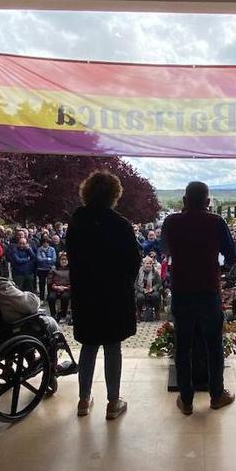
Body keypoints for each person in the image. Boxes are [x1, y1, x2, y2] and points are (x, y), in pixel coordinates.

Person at [66, 170, 140, 421]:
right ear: (114, 194)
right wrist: (124, 284)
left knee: (88, 346)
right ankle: (112, 402)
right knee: (112, 347)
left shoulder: (76, 221)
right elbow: (133, 262)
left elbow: (71, 258)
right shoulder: (120, 224)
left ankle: (83, 400)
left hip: (85, 294)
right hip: (113, 296)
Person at [160, 181, 236, 414]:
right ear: (208, 202)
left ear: (184, 201)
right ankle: (216, 395)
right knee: (213, 344)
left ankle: (186, 400)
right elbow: (232, 254)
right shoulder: (216, 222)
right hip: (208, 291)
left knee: (183, 346)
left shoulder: (171, 222)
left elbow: (164, 250)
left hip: (182, 291)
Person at [134, 256, 164, 321]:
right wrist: (142, 290)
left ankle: (157, 312)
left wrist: (152, 289)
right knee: (140, 297)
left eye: (150, 264)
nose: (149, 265)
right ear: (143, 264)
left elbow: (159, 283)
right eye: (147, 263)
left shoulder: (155, 272)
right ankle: (139, 313)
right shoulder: (138, 272)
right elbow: (135, 284)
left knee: (155, 296)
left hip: (152, 290)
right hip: (141, 290)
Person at [46, 252, 72, 322]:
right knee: (51, 297)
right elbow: (49, 280)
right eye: (62, 260)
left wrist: (66, 288)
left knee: (65, 297)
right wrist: (55, 287)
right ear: (59, 261)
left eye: (65, 260)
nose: (64, 261)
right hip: (55, 288)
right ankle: (53, 315)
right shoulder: (54, 269)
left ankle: (63, 315)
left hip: (67, 289)